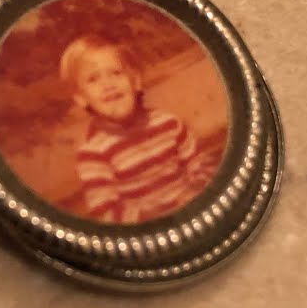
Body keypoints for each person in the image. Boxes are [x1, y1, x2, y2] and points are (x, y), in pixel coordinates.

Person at [59, 35, 214, 224]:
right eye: (93, 79)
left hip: (194, 213)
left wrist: (195, 193)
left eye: (116, 73)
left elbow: (201, 163)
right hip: (150, 229)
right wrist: (153, 218)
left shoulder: (168, 124)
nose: (108, 85)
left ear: (135, 81)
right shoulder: (93, 154)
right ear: (81, 98)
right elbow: (106, 211)